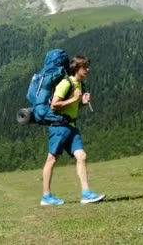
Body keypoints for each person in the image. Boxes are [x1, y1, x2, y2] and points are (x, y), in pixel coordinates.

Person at [40, 55, 105, 205]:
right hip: (59, 127)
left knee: (81, 156)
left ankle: (86, 193)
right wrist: (74, 99)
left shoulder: (80, 85)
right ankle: (46, 196)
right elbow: (54, 105)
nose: (87, 70)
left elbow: (73, 106)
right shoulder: (65, 83)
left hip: (72, 127)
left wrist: (82, 103)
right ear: (77, 68)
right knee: (52, 159)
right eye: (85, 67)